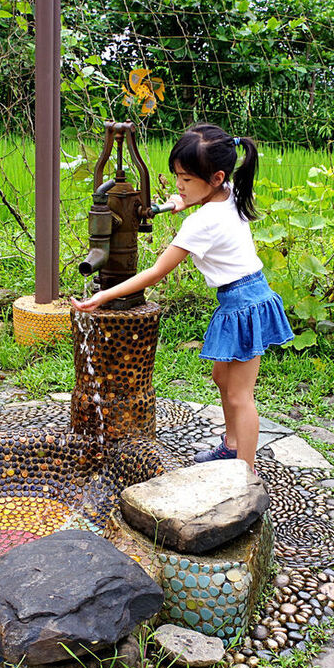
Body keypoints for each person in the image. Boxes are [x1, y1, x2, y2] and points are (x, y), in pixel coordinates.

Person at [71, 122, 294, 470]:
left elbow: (156, 272)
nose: (179, 185)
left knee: (240, 396)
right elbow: (205, 204)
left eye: (187, 180)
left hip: (244, 304)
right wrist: (180, 202)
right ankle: (231, 445)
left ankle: (244, 473)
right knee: (223, 379)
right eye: (177, 176)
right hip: (247, 296)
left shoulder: (201, 223)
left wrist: (103, 296)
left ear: (215, 177)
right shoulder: (229, 193)